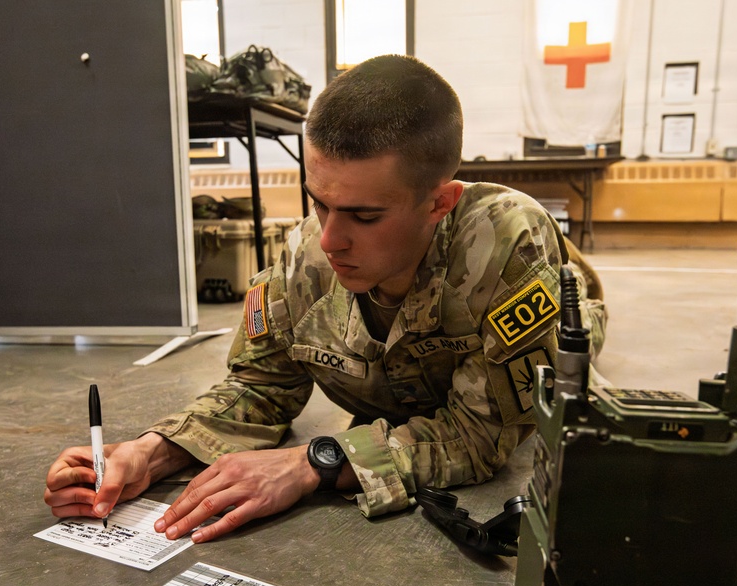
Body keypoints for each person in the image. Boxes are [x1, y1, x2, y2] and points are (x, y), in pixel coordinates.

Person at [44, 54, 607, 544]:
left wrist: (314, 460)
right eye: (319, 203)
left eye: (364, 216)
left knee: (565, 374)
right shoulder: (304, 259)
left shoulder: (504, 248)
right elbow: (259, 388)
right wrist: (149, 452)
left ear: (440, 203)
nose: (331, 240)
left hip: (564, 305)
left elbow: (479, 437)